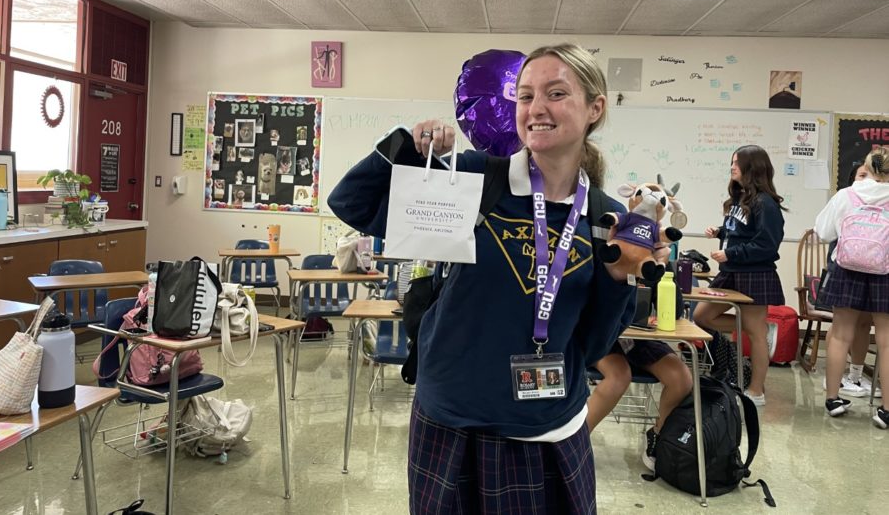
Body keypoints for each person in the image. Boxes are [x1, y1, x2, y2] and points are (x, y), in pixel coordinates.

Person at [328, 44, 638, 513]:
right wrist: (406, 148)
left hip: (549, 428)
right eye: (526, 95)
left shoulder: (605, 217)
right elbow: (351, 203)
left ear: (595, 108)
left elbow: (593, 347)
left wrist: (619, 277)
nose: (536, 109)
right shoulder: (474, 181)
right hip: (454, 421)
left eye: (556, 93)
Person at [695, 144, 786, 407]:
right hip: (731, 271)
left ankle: (756, 392)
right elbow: (743, 232)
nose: (732, 166)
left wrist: (732, 254)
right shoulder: (740, 198)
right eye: (732, 162)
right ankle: (757, 330)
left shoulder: (766, 204)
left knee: (754, 333)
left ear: (752, 168)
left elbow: (767, 245)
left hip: (755, 273)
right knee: (701, 316)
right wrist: (722, 234)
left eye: (737, 162)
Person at [814, 147, 889, 426]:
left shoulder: (848, 194)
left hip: (846, 268)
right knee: (886, 339)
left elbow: (823, 231)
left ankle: (833, 398)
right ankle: (886, 410)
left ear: (867, 168)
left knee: (840, 334)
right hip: (886, 273)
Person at [822, 161, 882, 398]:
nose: (868, 181)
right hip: (847, 267)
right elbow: (826, 232)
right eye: (862, 175)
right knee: (841, 326)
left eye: (873, 176)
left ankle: (855, 377)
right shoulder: (847, 198)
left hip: (875, 271)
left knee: (864, 324)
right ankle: (834, 383)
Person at [586, 338, 692, 470]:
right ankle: (578, 439)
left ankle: (659, 435)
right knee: (618, 377)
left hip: (641, 339)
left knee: (681, 378)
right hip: (602, 336)